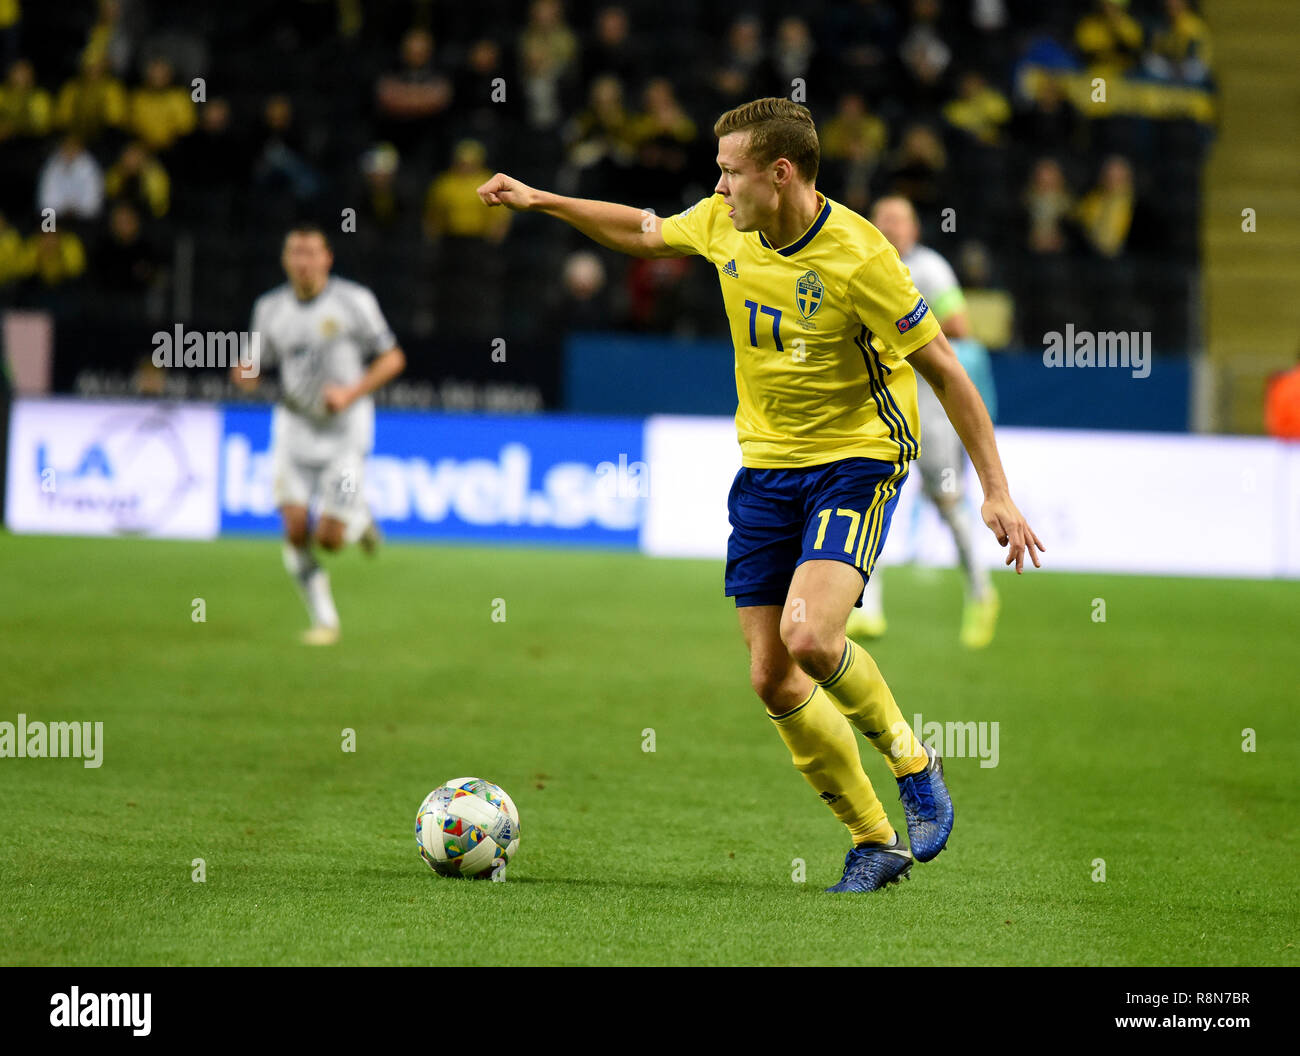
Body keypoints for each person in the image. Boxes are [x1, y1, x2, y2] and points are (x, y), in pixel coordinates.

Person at [478, 98, 1044, 892]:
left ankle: (913, 762)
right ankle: (875, 841)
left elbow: (946, 370)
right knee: (773, 677)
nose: (717, 187)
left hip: (858, 457)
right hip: (767, 469)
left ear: (780, 174)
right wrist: (542, 199)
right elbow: (642, 232)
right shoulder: (724, 223)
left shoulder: (862, 256)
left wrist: (996, 490)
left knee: (811, 638)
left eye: (730, 172)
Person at [231, 225, 406, 645]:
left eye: (311, 253)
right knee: (294, 528)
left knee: (328, 539)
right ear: (285, 260)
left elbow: (392, 359)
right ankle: (325, 620)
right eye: (295, 252)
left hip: (346, 428)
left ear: (327, 259)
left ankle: (359, 517)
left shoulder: (354, 301)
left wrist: (350, 392)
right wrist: (245, 373)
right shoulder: (270, 307)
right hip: (294, 426)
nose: (303, 261)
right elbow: (253, 363)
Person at [847, 195, 1001, 648]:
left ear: (914, 229)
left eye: (899, 220)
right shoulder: (862, 261)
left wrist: (904, 326)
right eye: (883, 219)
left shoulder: (930, 269)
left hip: (929, 411)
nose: (890, 227)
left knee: (948, 503)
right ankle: (867, 609)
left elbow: (959, 322)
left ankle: (981, 592)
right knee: (866, 500)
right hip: (879, 404)